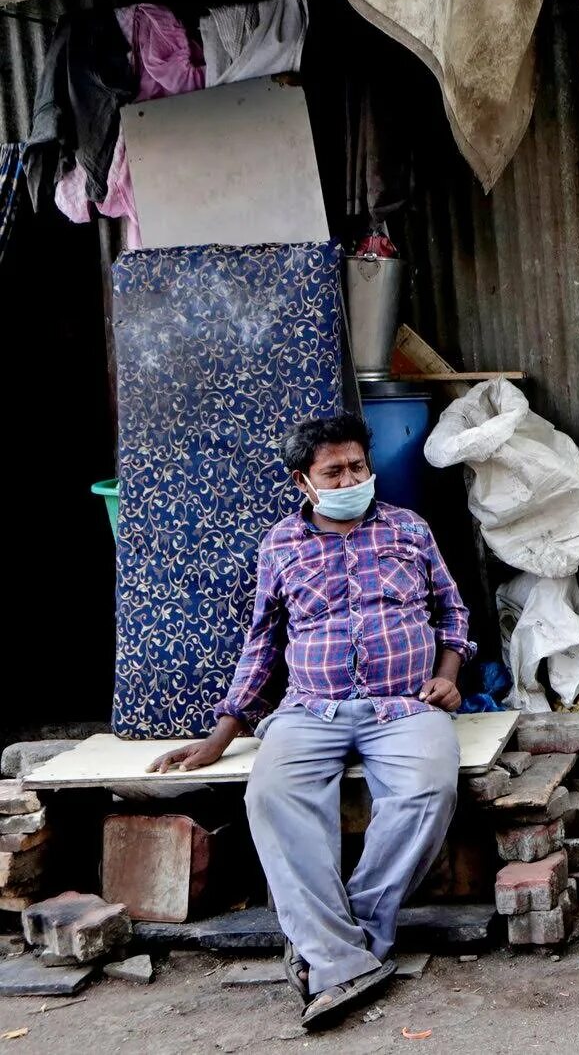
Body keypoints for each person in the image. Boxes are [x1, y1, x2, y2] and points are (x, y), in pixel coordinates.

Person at [151, 414, 472, 1029]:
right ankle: (347, 960)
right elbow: (263, 642)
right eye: (335, 471)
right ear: (305, 481)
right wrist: (225, 732)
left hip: (404, 705)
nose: (351, 478)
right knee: (272, 796)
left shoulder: (409, 528)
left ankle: (336, 952)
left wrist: (450, 675)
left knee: (428, 790)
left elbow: (452, 612)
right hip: (308, 709)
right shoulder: (280, 544)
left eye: (358, 466)